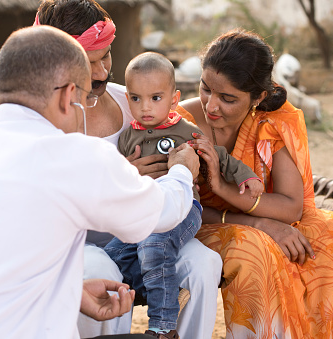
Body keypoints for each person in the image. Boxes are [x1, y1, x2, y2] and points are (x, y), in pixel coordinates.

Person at [0, 25, 200, 338]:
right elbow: (164, 212)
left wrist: (70, 292)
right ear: (68, 96)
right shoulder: (70, 155)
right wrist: (182, 169)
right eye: (85, 99)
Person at [34, 1, 223, 338]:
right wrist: (120, 180)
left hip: (149, 234)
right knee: (101, 271)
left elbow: (182, 138)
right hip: (79, 247)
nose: (102, 72)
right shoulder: (43, 122)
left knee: (204, 264)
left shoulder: (133, 102)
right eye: (89, 63)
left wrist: (186, 170)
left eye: (105, 56)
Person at [179, 29, 333, 338]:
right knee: (257, 249)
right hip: (197, 224)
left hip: (254, 216)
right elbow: (178, 208)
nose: (211, 106)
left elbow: (292, 206)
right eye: (205, 89)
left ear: (259, 98)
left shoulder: (273, 122)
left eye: (227, 98)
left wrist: (227, 190)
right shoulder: (179, 123)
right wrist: (263, 225)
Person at [103, 52, 263, 339]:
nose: (145, 107)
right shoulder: (128, 137)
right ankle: (151, 285)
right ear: (128, 101)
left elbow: (220, 156)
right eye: (136, 99)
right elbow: (115, 180)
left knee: (155, 245)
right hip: (143, 212)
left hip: (184, 210)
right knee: (111, 254)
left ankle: (163, 326)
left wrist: (245, 176)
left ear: (174, 99)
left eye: (155, 98)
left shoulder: (185, 131)